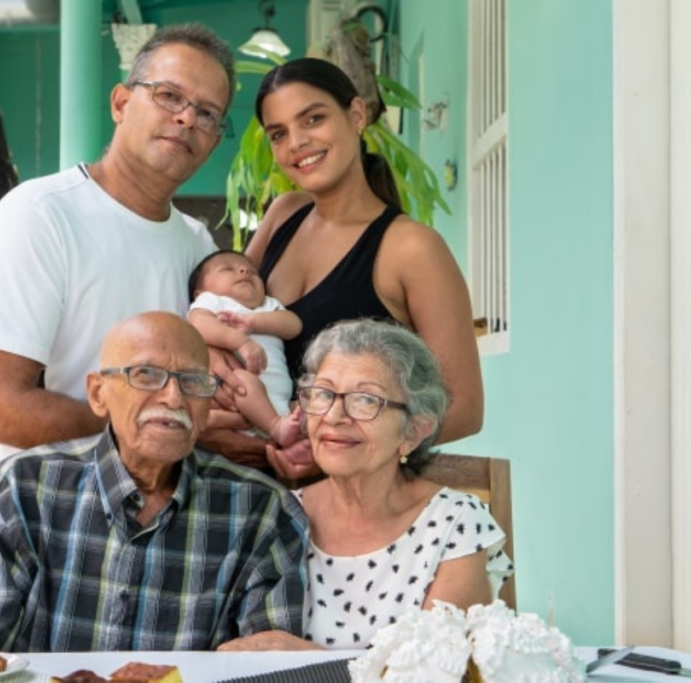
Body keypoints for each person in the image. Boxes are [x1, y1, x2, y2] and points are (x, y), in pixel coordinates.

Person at [0, 24, 262, 489]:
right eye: (168, 96)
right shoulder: (40, 215)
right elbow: (0, 410)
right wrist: (177, 435)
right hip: (36, 514)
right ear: (121, 103)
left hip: (153, 519)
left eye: (207, 113)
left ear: (216, 139)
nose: (186, 119)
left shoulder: (199, 247)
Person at [0, 312, 308, 652]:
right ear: (98, 394)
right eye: (146, 374)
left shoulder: (262, 511)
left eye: (194, 381)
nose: (173, 397)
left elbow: (265, 663)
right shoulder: (19, 490)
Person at [242, 58, 484, 479]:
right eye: (278, 134)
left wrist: (329, 451)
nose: (297, 142)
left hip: (358, 500)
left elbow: (463, 408)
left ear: (356, 115)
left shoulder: (411, 248)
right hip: (262, 487)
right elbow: (227, 308)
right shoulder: (284, 215)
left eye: (313, 119)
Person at [218, 319, 512, 652]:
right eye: (323, 394)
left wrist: (315, 664)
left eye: (366, 400)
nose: (334, 416)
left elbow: (440, 669)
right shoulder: (278, 515)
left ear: (414, 430)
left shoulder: (455, 524)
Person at [187, 250, 305, 452]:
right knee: (243, 380)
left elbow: (293, 325)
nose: (244, 271)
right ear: (200, 292)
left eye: (252, 271)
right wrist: (240, 342)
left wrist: (253, 322)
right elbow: (198, 324)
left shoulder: (269, 304)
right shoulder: (213, 301)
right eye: (227, 268)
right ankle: (274, 427)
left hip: (281, 397)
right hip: (239, 394)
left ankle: (283, 439)